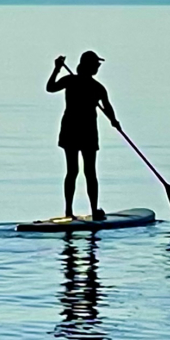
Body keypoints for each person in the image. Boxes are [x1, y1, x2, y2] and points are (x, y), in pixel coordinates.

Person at [47, 51, 120, 219]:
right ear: (90, 66)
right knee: (88, 172)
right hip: (85, 131)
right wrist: (114, 121)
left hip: (72, 130)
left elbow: (107, 107)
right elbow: (50, 88)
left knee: (73, 171)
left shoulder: (74, 81)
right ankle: (91, 211)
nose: (98, 67)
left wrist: (114, 121)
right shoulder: (96, 87)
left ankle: (71, 211)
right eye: (96, 65)